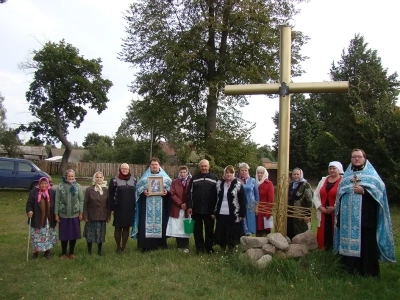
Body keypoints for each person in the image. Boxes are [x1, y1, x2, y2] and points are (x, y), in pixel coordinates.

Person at [334, 149, 396, 277]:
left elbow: (380, 192)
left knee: (367, 245)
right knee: (348, 243)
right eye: (354, 157)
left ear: (364, 159)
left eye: (359, 157)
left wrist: (365, 191)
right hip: (348, 220)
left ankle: (367, 272)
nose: (356, 159)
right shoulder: (346, 176)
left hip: (366, 218)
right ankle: (349, 270)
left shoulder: (372, 175)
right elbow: (340, 194)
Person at [132, 158, 172, 252]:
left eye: (156, 164)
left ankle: (160, 245)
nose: (154, 166)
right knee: (145, 224)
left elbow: (171, 189)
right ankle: (145, 246)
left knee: (161, 223)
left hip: (161, 205)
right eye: (152, 164)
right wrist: (143, 192)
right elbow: (138, 190)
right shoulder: (144, 179)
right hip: (146, 205)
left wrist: (167, 192)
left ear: (159, 166)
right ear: (150, 166)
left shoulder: (166, 179)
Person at [186, 159, 218, 254]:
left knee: (209, 230)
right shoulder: (194, 178)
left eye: (205, 166)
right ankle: (199, 248)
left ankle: (209, 249)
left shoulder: (214, 178)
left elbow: (218, 194)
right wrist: (190, 206)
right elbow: (189, 193)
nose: (204, 167)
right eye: (202, 166)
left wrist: (215, 210)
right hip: (196, 209)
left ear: (209, 166)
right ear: (200, 167)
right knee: (197, 231)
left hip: (210, 210)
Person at [213, 165, 246, 252]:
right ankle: (222, 247)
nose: (228, 174)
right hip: (221, 212)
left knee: (232, 231)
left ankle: (232, 248)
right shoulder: (219, 184)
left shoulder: (238, 185)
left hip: (233, 213)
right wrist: (213, 211)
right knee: (222, 230)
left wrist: (242, 214)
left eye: (231, 172)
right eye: (227, 172)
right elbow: (214, 198)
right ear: (224, 173)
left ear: (233, 174)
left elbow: (243, 200)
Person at [313, 161, 343, 250]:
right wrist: (319, 206)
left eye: (334, 168)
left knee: (334, 230)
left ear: (339, 170)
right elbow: (316, 194)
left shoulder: (343, 181)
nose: (332, 170)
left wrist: (335, 207)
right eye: (330, 168)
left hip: (335, 212)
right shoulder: (323, 180)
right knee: (323, 230)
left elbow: (344, 197)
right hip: (323, 212)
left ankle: (334, 250)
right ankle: (322, 249)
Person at [55, 169, 84, 259]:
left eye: (72, 176)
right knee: (64, 234)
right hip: (63, 214)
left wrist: (81, 212)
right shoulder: (60, 186)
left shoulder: (78, 186)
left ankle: (71, 252)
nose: (70, 178)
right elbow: (57, 201)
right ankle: (64, 253)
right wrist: (56, 213)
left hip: (74, 214)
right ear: (66, 177)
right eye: (69, 176)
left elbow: (81, 200)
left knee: (73, 234)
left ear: (74, 177)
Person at [26, 177, 57, 259]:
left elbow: (55, 205)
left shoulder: (52, 192)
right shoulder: (33, 192)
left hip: (48, 219)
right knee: (36, 236)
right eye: (42, 183)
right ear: (39, 184)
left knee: (48, 236)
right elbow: (29, 204)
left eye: (45, 183)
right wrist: (29, 211)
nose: (44, 185)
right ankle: (35, 253)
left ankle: (47, 252)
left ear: (48, 184)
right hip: (37, 218)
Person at [109, 163, 136, 254]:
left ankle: (124, 247)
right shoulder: (114, 180)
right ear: (120, 169)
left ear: (129, 170)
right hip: (118, 208)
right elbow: (111, 195)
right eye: (123, 168)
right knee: (118, 227)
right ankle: (118, 247)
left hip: (130, 208)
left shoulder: (134, 180)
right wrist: (112, 208)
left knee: (126, 228)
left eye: (126, 169)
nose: (125, 170)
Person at [83, 171, 110, 256]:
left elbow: (108, 204)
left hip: (102, 216)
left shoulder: (106, 190)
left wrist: (108, 215)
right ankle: (89, 251)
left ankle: (99, 251)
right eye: (97, 177)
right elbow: (85, 203)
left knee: (101, 234)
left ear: (103, 179)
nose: (99, 179)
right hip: (91, 216)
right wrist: (85, 216)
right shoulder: (89, 189)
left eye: (100, 177)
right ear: (94, 179)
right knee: (90, 234)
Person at [166, 165, 192, 252]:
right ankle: (179, 246)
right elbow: (172, 194)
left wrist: (187, 205)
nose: (183, 174)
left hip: (187, 208)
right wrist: (180, 204)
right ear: (179, 173)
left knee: (185, 226)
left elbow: (192, 194)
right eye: (181, 172)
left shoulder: (191, 181)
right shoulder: (174, 182)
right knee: (177, 226)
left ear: (187, 172)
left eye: (184, 172)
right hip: (177, 208)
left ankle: (186, 245)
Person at [286, 168, 313, 239]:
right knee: (290, 231)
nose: (296, 176)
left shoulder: (305, 185)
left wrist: (307, 214)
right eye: (294, 174)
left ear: (301, 175)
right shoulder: (291, 184)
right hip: (290, 213)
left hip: (300, 214)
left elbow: (309, 200)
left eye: (298, 174)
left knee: (300, 233)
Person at [237, 162, 259, 235]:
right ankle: (243, 234)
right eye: (242, 170)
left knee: (251, 219)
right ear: (239, 171)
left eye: (245, 170)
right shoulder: (236, 180)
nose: (244, 172)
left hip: (251, 203)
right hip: (240, 202)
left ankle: (250, 235)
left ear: (248, 171)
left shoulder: (252, 180)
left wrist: (257, 206)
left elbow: (256, 194)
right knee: (242, 218)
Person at [255, 166, 274, 237]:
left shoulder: (269, 184)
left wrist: (268, 213)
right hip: (256, 212)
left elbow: (271, 200)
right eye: (258, 173)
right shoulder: (255, 183)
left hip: (265, 212)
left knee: (265, 234)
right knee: (258, 233)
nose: (259, 174)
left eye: (261, 173)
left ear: (265, 174)